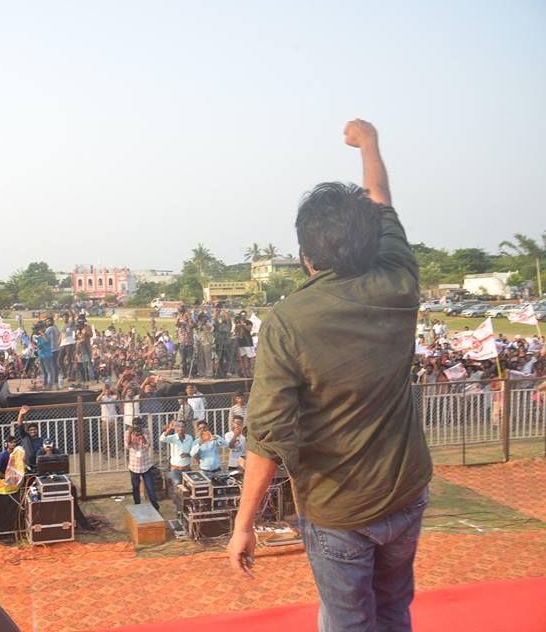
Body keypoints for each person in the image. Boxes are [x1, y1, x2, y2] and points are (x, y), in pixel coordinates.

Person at [227, 120, 432, 632]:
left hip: (339, 509)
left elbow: (267, 437)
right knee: (393, 612)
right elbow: (380, 197)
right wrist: (370, 145)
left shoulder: (289, 322)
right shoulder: (399, 280)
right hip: (406, 490)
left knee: (347, 623)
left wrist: (243, 524)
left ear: (305, 255)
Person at [124, 417, 159, 511]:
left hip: (146, 465)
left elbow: (148, 446)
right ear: (132, 426)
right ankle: (137, 506)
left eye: (139, 426)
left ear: (142, 425)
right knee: (135, 488)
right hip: (133, 466)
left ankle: (155, 507)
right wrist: (131, 434)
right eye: (136, 426)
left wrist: (142, 437)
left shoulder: (146, 431)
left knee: (150, 487)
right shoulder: (128, 432)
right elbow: (127, 446)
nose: (138, 429)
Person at [160, 419, 194, 512]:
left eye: (183, 426)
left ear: (185, 428)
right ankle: (179, 509)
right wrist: (169, 429)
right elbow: (162, 438)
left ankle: (188, 507)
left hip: (187, 468)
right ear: (176, 428)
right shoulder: (173, 437)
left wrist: (188, 454)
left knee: (190, 488)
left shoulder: (189, 438)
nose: (181, 428)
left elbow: (193, 451)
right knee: (178, 486)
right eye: (178, 426)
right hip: (176, 469)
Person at [14, 406, 44, 471]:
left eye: (34, 429)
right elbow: (20, 425)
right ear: (28, 431)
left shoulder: (41, 440)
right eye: (31, 430)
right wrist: (20, 414)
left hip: (38, 463)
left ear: (38, 430)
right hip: (27, 463)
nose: (33, 431)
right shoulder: (25, 437)